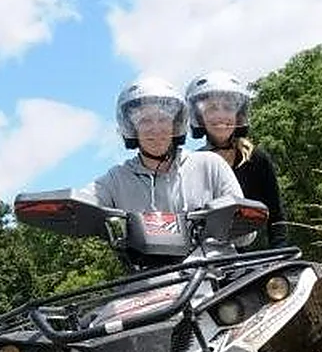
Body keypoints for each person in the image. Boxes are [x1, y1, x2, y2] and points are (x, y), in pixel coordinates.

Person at [83, 76, 243, 214]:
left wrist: (219, 220)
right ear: (131, 128)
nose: (156, 128)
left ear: (175, 124)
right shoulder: (117, 179)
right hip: (141, 251)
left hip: (211, 250)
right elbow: (84, 199)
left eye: (163, 119)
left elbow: (246, 232)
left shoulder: (209, 165)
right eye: (145, 121)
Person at [185, 71, 288, 247]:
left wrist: (280, 256)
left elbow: (276, 216)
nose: (220, 115)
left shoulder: (257, 159)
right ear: (199, 117)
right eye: (211, 109)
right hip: (209, 260)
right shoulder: (195, 162)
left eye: (227, 107)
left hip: (257, 259)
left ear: (238, 115)